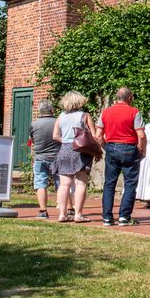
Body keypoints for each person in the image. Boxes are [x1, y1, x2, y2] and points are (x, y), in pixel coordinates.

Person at [97, 87, 146, 226]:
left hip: (111, 147)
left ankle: (107, 217)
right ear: (130, 98)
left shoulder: (105, 112)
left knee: (109, 184)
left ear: (116, 98)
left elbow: (98, 135)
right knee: (130, 183)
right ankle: (124, 216)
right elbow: (141, 135)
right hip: (129, 148)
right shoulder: (134, 112)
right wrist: (141, 150)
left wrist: (105, 147)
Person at [50, 91, 95, 223]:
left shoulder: (61, 116)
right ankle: (78, 214)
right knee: (80, 183)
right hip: (80, 150)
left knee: (64, 184)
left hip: (64, 149)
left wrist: (66, 140)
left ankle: (62, 214)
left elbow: (55, 136)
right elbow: (93, 135)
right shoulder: (85, 115)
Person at [28, 99, 60, 219]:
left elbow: (32, 139)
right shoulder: (58, 122)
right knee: (61, 184)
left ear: (39, 111)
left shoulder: (33, 124)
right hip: (57, 156)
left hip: (40, 157)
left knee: (40, 183)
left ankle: (43, 211)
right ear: (52, 111)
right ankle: (67, 209)